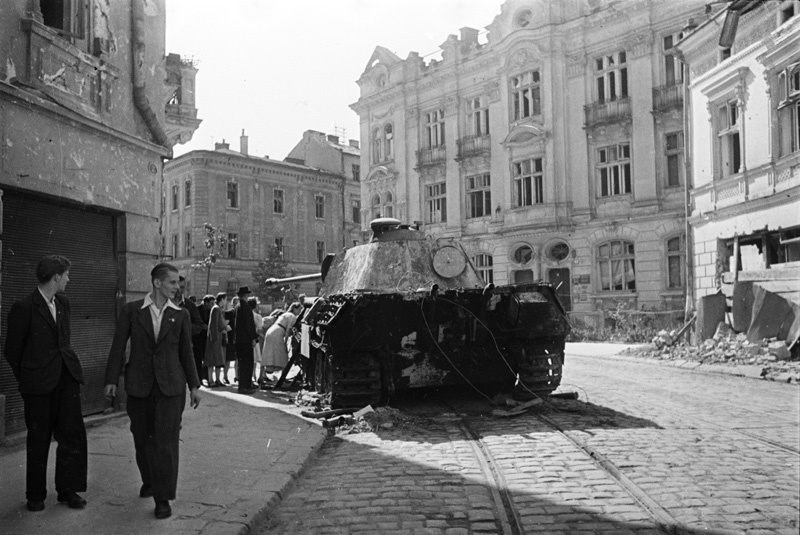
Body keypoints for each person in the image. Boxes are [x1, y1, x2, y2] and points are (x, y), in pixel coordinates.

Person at [103, 263, 201, 520]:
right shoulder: (132, 311)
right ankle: (149, 480)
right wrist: (111, 379)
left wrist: (194, 386)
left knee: (166, 442)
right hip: (139, 385)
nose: (177, 287)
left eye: (178, 283)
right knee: (142, 439)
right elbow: (118, 346)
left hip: (171, 387)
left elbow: (187, 352)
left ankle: (163, 498)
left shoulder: (181, 314)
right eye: (172, 282)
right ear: (157, 283)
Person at [3, 255, 87, 512]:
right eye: (67, 275)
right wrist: (28, 378)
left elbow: (63, 341)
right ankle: (35, 495)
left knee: (72, 436)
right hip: (38, 386)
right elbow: (12, 351)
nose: (69, 279)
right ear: (56, 277)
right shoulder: (24, 307)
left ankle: (68, 491)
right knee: (38, 440)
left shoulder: (63, 303)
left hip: (66, 380)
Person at [261, 302, 302, 382]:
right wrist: (286, 342)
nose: (300, 311)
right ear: (294, 308)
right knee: (283, 355)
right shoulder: (292, 316)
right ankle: (283, 376)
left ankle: (262, 375)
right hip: (278, 333)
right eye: (299, 309)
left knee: (267, 352)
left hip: (271, 331)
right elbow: (288, 330)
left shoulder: (286, 314)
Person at [175, 276, 205, 385]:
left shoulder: (189, 305)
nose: (179, 290)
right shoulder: (164, 303)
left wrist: (184, 328)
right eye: (177, 287)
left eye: (182, 287)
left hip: (185, 346)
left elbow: (199, 325)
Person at [233, 287, 259, 394]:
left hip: (239, 339)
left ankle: (244, 385)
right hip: (245, 340)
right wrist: (253, 338)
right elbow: (249, 324)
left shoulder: (238, 306)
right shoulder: (245, 307)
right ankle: (245, 386)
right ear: (246, 295)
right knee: (247, 364)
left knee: (242, 364)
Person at [204, 293, 228, 387]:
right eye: (225, 299)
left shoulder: (217, 308)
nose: (226, 301)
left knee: (218, 360)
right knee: (212, 360)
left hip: (217, 338)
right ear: (222, 299)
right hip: (214, 339)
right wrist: (225, 328)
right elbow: (214, 324)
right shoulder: (216, 309)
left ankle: (217, 379)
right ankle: (211, 380)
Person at [249, 297, 264, 385]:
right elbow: (259, 330)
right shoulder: (257, 316)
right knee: (255, 359)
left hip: (246, 339)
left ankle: (252, 375)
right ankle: (255, 376)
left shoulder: (245, 314)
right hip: (255, 339)